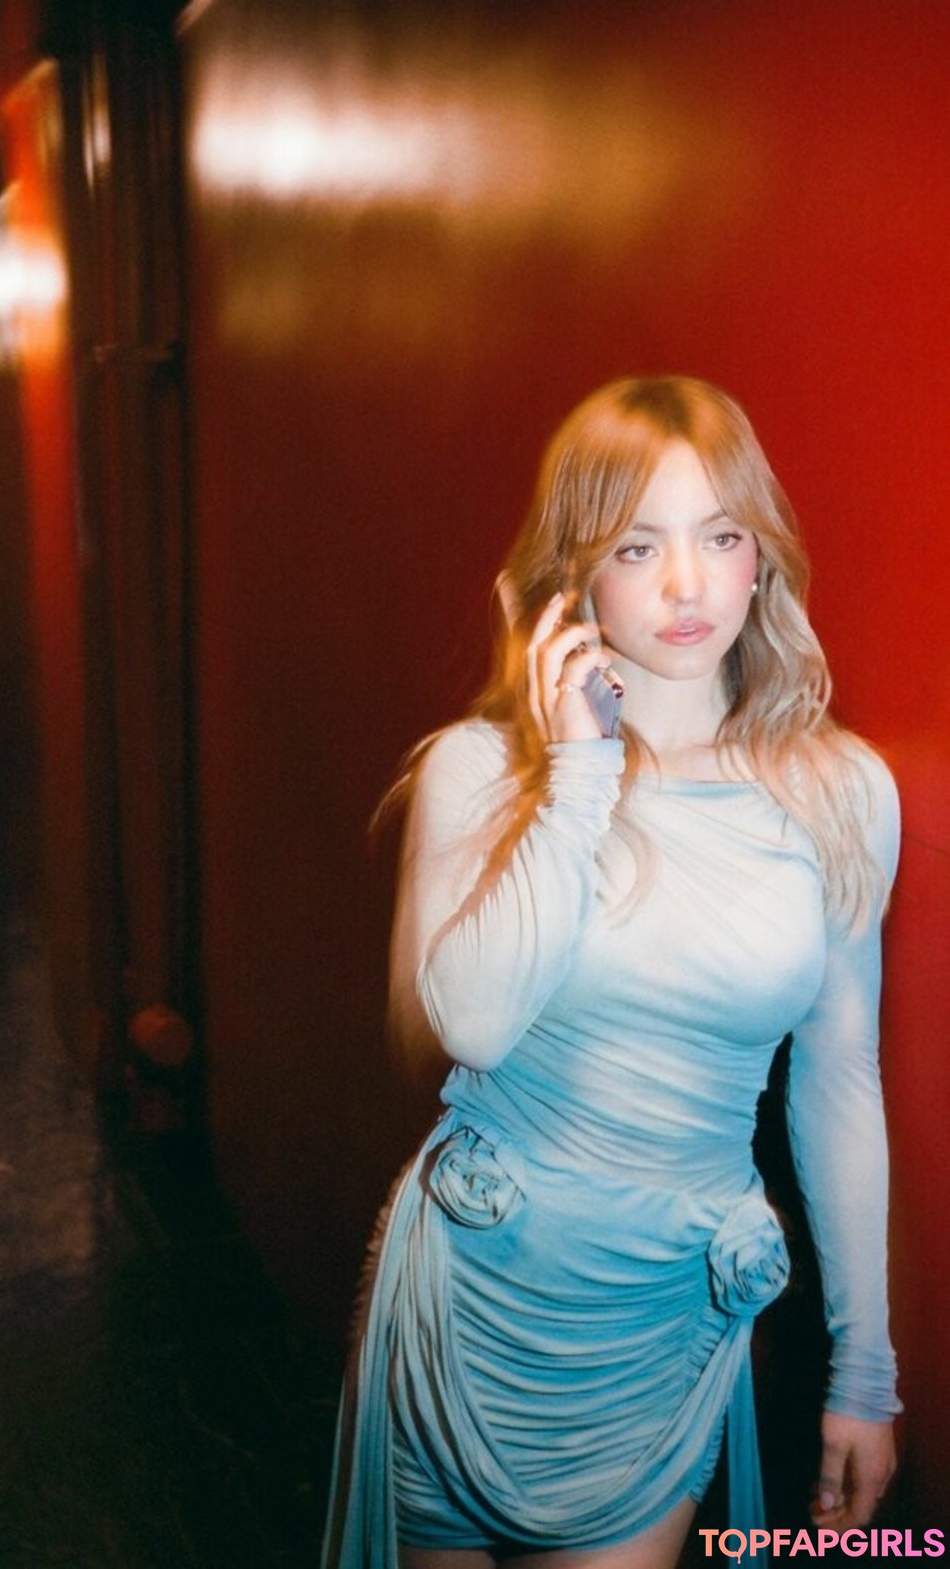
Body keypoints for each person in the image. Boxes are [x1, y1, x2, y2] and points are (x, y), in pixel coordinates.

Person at [321, 376, 900, 1569]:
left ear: (761, 556)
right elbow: (469, 1028)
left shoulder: (840, 792)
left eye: (721, 537)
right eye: (639, 547)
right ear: (575, 575)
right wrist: (579, 779)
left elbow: (839, 1078)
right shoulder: (482, 771)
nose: (688, 586)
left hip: (659, 1330)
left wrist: (866, 1372)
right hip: (466, 1302)